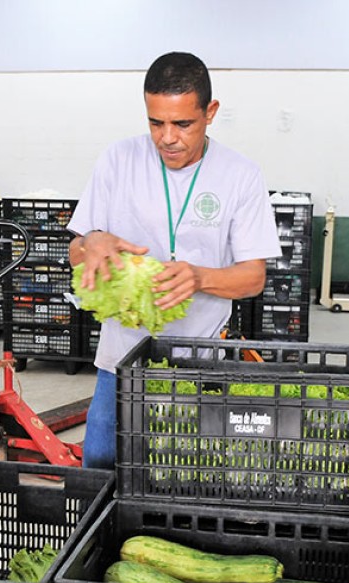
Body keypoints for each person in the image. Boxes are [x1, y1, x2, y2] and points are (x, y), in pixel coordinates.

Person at [68, 51, 282, 469]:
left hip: (200, 362)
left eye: (183, 124)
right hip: (121, 358)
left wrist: (198, 278)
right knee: (101, 462)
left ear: (210, 112)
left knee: (186, 473)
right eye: (156, 122)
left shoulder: (240, 175)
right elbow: (78, 252)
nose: (167, 137)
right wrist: (89, 242)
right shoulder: (118, 160)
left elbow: (253, 277)